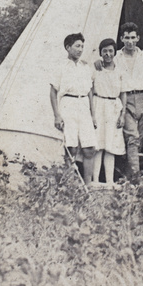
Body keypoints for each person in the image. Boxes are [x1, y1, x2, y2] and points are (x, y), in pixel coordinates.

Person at [113, 22, 143, 178]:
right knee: (132, 137)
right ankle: (135, 178)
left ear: (138, 38)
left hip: (142, 98)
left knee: (139, 137)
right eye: (127, 38)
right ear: (122, 38)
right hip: (125, 98)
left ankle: (128, 172)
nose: (130, 41)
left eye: (133, 37)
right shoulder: (116, 57)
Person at [50, 33, 96, 186]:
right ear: (68, 47)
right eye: (77, 46)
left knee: (89, 148)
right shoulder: (60, 66)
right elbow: (53, 91)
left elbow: (90, 91)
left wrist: (93, 114)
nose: (80, 49)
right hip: (68, 105)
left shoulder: (85, 67)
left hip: (83, 105)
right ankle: (70, 184)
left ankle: (88, 184)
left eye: (82, 46)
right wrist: (57, 115)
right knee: (71, 148)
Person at [92, 38, 127, 186]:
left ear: (115, 52)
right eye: (104, 51)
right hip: (99, 105)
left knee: (111, 146)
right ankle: (95, 180)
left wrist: (122, 114)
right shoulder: (95, 69)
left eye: (110, 51)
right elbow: (90, 90)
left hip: (114, 107)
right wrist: (92, 114)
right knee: (98, 145)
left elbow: (123, 93)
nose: (107, 54)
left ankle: (110, 181)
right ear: (100, 53)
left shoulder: (120, 71)